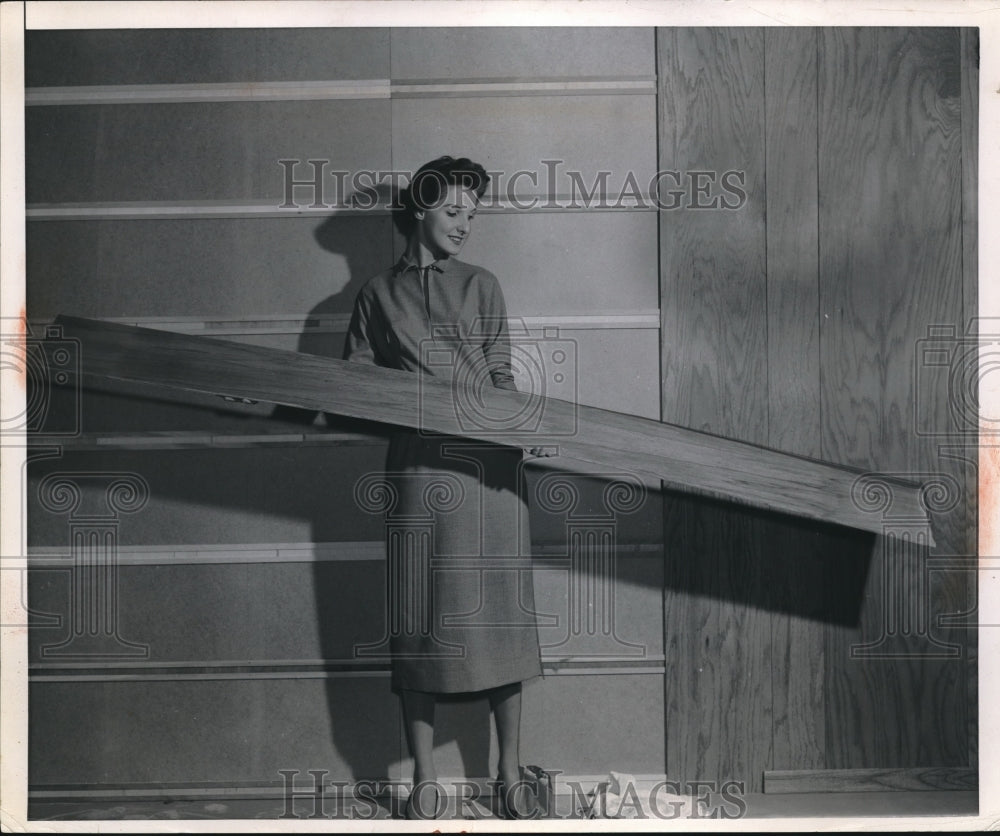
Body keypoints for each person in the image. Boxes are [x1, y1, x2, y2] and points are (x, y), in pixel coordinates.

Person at [343, 156, 549, 820]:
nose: (464, 225)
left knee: (501, 622)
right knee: (420, 622)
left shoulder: (483, 285)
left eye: (472, 215)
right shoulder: (377, 294)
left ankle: (510, 775)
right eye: (454, 212)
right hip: (417, 476)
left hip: (490, 475)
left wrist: (529, 435)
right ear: (420, 211)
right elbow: (349, 386)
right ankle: (426, 780)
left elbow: (502, 380)